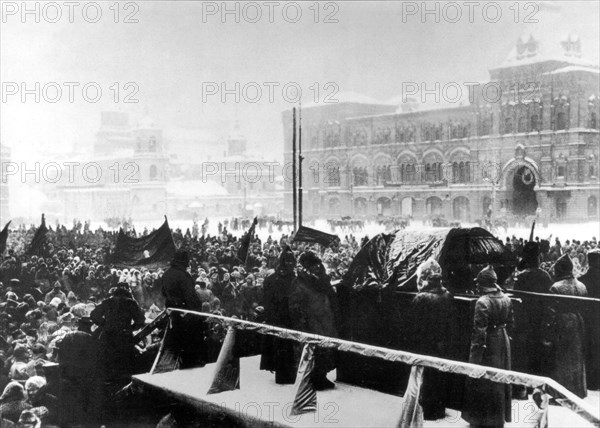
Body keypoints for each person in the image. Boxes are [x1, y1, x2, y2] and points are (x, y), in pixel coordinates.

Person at [462, 265, 513, 428]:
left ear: (483, 284)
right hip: (503, 341)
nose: (476, 286)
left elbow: (479, 333)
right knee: (499, 380)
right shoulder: (506, 298)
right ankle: (497, 419)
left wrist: (473, 360)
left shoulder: (482, 302)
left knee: (484, 380)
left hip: (488, 343)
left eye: (478, 283)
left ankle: (481, 420)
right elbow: (511, 323)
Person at [408, 258, 456, 421]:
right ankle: (438, 409)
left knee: (424, 378)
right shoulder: (447, 294)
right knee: (439, 377)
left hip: (425, 345)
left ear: (424, 277)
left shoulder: (421, 298)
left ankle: (426, 411)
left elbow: (414, 327)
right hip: (442, 345)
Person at [289, 251, 339, 390]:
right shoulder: (299, 282)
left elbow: (331, 297)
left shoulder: (323, 280)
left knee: (327, 349)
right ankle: (311, 379)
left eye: (318, 264)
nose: (317, 267)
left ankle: (322, 376)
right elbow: (295, 305)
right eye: (313, 265)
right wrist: (302, 322)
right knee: (313, 351)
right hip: (311, 321)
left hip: (326, 318)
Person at [543, 254, 587, 398]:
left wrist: (547, 332)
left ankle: (561, 394)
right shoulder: (581, 285)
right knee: (576, 356)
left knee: (562, 358)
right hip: (578, 321)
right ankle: (577, 391)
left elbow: (550, 312)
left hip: (562, 323)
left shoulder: (556, 287)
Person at [159, 250, 206, 369]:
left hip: (172, 312)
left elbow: (163, 292)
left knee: (173, 343)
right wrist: (198, 313)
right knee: (189, 344)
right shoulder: (184, 276)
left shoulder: (166, 274)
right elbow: (191, 298)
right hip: (185, 315)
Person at [90, 285, 145, 381]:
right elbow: (140, 320)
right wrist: (131, 328)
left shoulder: (107, 302)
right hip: (124, 335)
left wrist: (104, 324)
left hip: (108, 335)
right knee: (124, 361)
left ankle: (108, 381)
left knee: (108, 360)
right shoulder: (131, 303)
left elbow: (94, 315)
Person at [260, 246, 298, 384]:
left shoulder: (286, 277)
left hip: (283, 317)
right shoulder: (281, 278)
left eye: (291, 261)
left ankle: (286, 374)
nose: (289, 264)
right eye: (287, 261)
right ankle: (284, 376)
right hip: (282, 317)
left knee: (285, 347)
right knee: (283, 347)